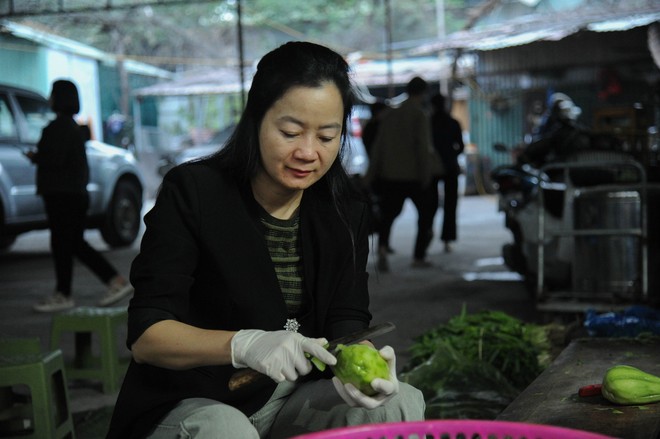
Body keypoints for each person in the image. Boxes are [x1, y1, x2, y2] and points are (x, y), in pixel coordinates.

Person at [106, 42, 425, 439]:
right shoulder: (193, 192)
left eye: (327, 136)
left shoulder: (345, 210)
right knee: (224, 429)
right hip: (194, 401)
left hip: (289, 400)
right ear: (256, 118)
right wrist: (244, 344)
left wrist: (361, 366)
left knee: (400, 403)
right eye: (290, 132)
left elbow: (347, 319)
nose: (307, 152)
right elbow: (148, 336)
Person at [27, 80, 133, 313]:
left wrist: (37, 157)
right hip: (75, 195)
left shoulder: (55, 129)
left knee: (64, 244)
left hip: (61, 195)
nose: (49, 97)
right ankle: (109, 283)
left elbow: (53, 160)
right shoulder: (74, 128)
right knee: (72, 243)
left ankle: (69, 292)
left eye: (53, 93)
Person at [365, 76, 438, 271]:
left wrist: (371, 175)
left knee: (388, 215)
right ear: (423, 93)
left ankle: (381, 249)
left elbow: (378, 147)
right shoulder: (419, 115)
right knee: (425, 215)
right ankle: (419, 256)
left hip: (390, 176)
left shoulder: (390, 114)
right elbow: (423, 147)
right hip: (414, 176)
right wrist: (426, 174)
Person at [430, 93, 465, 253]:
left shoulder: (428, 123)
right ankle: (447, 240)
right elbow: (461, 147)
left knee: (428, 206)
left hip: (432, 168)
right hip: (451, 167)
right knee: (450, 205)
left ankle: (426, 237)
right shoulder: (453, 123)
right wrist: (451, 155)